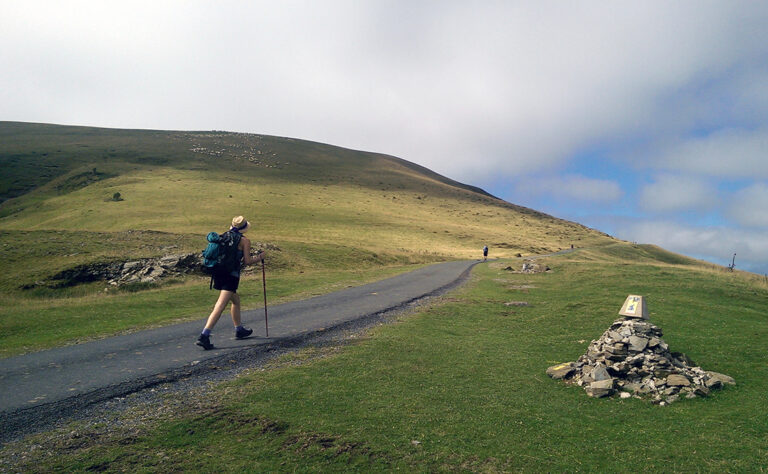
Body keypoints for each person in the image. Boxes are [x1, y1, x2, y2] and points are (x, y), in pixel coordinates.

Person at [196, 216, 265, 350]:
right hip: (231, 275)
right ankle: (204, 335)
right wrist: (260, 257)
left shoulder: (224, 236)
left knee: (236, 300)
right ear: (244, 228)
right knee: (220, 305)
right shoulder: (244, 241)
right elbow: (247, 261)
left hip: (218, 273)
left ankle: (239, 329)